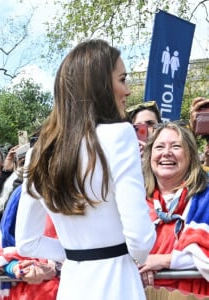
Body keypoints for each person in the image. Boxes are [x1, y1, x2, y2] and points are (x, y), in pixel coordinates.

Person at [15, 39, 156, 299]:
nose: (127, 91)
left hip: (73, 284)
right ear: (100, 85)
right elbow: (141, 242)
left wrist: (75, 251)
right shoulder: (119, 135)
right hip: (118, 284)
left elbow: (26, 241)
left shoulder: (39, 151)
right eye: (122, 79)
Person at [140, 121, 209, 295]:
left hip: (194, 294)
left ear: (190, 155)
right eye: (159, 147)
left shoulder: (204, 199)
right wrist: (140, 264)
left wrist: (164, 261)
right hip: (138, 292)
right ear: (149, 155)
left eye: (176, 146)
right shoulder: (134, 200)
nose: (166, 153)